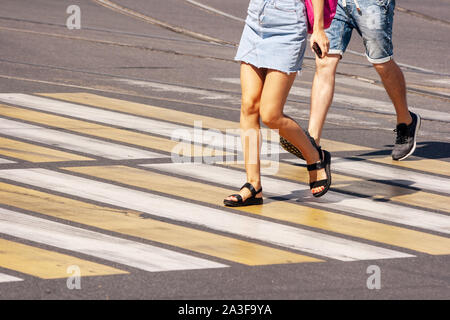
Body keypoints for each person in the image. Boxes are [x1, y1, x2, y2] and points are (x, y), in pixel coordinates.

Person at [280, 0, 421, 161]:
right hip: (334, 4)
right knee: (325, 62)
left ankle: (406, 121)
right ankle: (313, 142)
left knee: (381, 62)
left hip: (372, 4)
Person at [224, 0, 332, 207]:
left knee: (270, 114)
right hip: (256, 19)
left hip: (288, 25)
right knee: (249, 106)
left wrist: (318, 29)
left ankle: (313, 154)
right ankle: (253, 186)